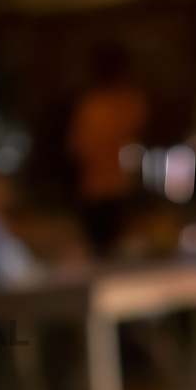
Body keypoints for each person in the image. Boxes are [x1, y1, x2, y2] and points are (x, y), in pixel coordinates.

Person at [65, 43, 148, 253]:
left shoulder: (125, 102)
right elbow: (80, 148)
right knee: (104, 249)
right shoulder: (96, 106)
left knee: (113, 249)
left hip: (118, 189)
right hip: (100, 191)